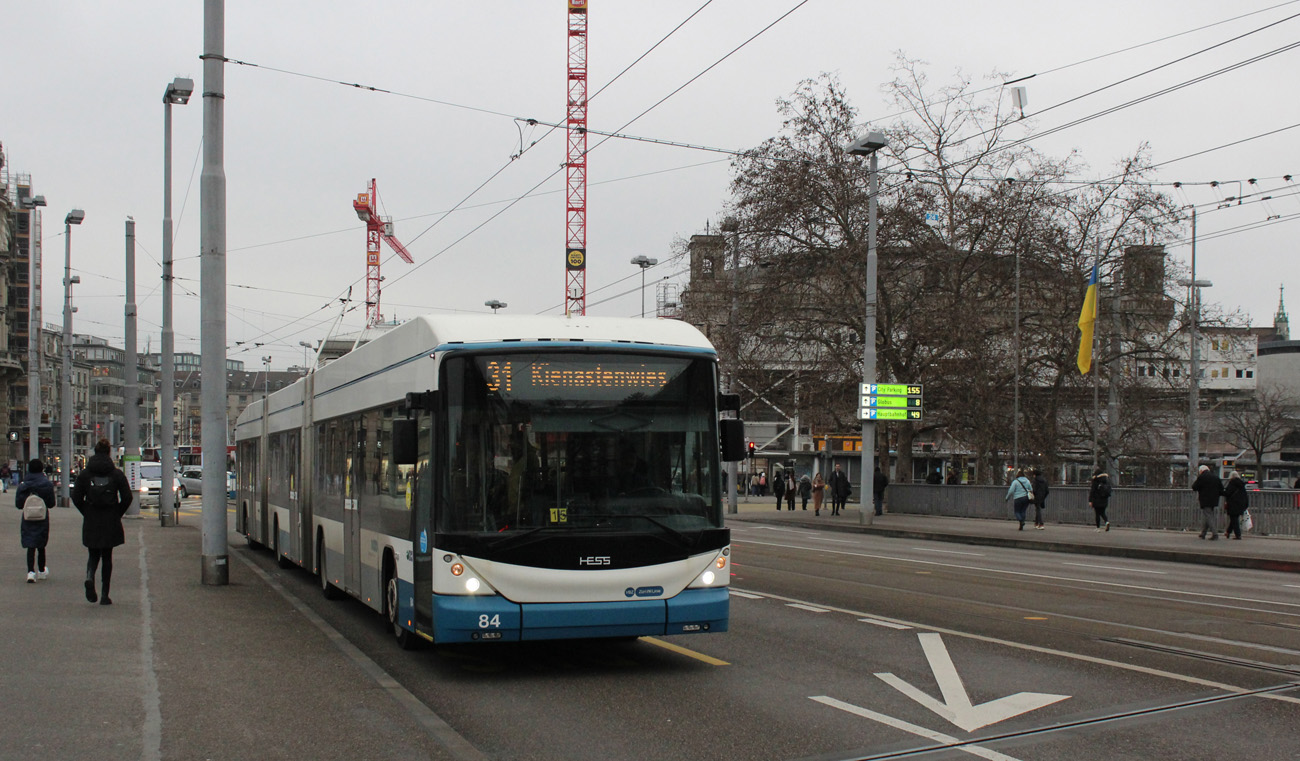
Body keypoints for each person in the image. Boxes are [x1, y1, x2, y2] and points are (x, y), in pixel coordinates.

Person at [72, 439, 133, 605]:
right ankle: (105, 595)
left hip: (92, 517)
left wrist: (86, 511)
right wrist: (117, 513)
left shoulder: (86, 474)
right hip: (110, 519)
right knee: (107, 556)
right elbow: (127, 497)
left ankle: (90, 576)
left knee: (93, 553)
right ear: (109, 453)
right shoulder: (116, 474)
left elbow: (76, 496)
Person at [15, 459, 55, 583]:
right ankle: (42, 570)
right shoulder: (47, 485)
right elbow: (51, 503)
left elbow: (19, 504)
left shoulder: (23, 485)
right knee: (41, 544)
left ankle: (30, 572)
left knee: (30, 544)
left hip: (28, 517)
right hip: (42, 517)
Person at [1191, 464, 1224, 541]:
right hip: (1214, 500)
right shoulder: (1216, 477)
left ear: (1201, 471)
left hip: (1205, 499)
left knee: (1209, 516)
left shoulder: (1202, 477)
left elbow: (1194, 487)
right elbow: (1221, 489)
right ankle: (1203, 533)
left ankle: (1215, 534)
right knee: (1208, 515)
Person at [1222, 470, 1249, 540]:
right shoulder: (1242, 484)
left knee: (1234, 519)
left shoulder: (1232, 483)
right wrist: (1246, 504)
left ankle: (1238, 535)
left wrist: (1221, 492)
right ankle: (1228, 532)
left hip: (1233, 504)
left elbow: (1228, 493)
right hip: (1241, 504)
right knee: (1234, 518)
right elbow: (1245, 495)